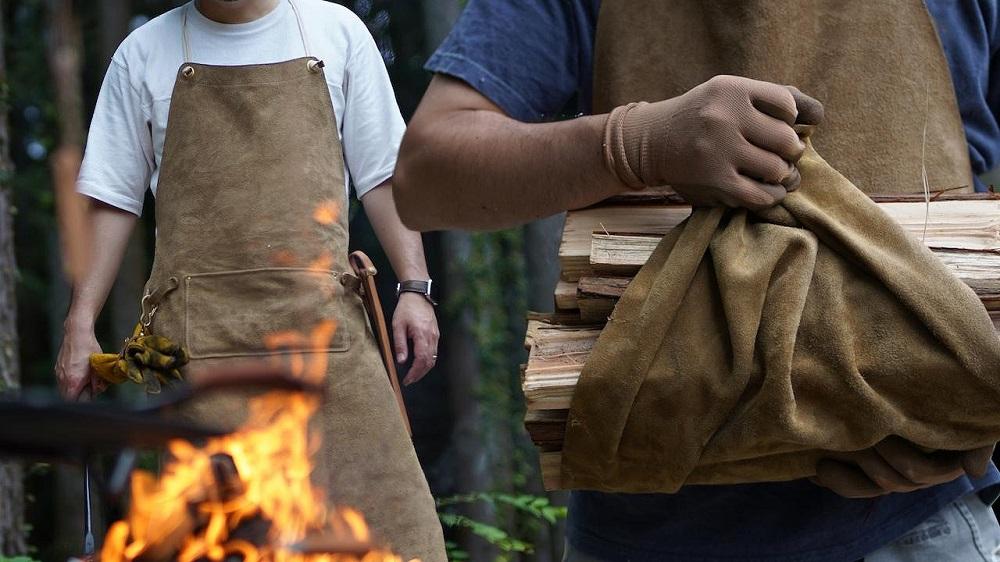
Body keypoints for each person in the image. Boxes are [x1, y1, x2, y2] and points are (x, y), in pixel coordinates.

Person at [393, 0, 1000, 560]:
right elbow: (424, 176)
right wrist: (635, 144)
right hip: (647, 530)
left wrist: (970, 413)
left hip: (918, 526)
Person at [53, 0, 446, 559]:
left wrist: (414, 287)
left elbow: (384, 174)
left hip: (327, 350)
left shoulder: (335, 32)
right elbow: (112, 199)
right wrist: (79, 326)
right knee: (217, 542)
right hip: (201, 358)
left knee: (394, 537)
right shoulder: (142, 53)